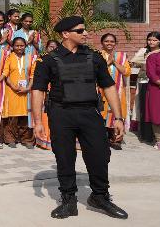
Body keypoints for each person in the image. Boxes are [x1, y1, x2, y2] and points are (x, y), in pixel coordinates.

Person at [30, 16, 128, 219]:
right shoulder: (47, 59)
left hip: (90, 113)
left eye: (85, 30)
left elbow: (108, 86)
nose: (86, 33)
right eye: (80, 30)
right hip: (61, 114)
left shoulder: (94, 57)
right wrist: (38, 121)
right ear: (66, 34)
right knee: (65, 157)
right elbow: (38, 90)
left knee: (99, 155)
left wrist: (118, 118)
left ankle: (99, 197)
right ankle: (68, 200)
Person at [1, 37, 36, 148]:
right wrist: (13, 86)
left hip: (26, 91)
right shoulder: (9, 57)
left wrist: (28, 88)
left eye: (22, 45)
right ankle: (10, 138)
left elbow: (33, 75)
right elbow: (6, 73)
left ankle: (26, 139)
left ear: (25, 46)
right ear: (13, 46)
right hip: (12, 90)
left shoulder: (30, 58)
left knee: (25, 115)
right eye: (17, 45)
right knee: (12, 115)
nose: (19, 48)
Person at [99, 33, 131, 150]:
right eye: (106, 41)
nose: (109, 43)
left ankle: (115, 138)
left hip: (117, 91)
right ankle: (103, 138)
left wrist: (114, 62)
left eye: (112, 41)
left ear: (115, 43)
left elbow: (126, 72)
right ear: (102, 43)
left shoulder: (121, 56)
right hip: (101, 90)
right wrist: (107, 63)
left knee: (116, 112)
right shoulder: (98, 55)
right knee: (102, 113)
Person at [129, 32, 160, 142]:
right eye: (149, 40)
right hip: (143, 80)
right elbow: (133, 62)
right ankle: (144, 133)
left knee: (154, 106)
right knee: (142, 106)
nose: (151, 42)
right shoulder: (144, 51)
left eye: (154, 40)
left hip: (157, 82)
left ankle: (157, 132)